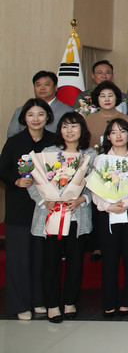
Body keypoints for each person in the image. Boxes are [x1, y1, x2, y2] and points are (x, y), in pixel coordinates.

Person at [28, 112, 97, 323]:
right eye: (65, 126)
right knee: (51, 262)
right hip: (51, 216)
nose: (69, 131)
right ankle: (52, 305)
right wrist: (45, 201)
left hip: (77, 215)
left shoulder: (90, 155)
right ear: (60, 130)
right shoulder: (48, 152)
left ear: (82, 130)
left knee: (75, 262)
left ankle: (69, 302)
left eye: (74, 126)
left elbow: (96, 185)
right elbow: (34, 182)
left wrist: (82, 199)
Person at [0, 99, 55, 320]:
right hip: (20, 209)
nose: (36, 119)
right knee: (19, 258)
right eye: (31, 115)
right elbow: (2, 170)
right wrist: (15, 181)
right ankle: (20, 304)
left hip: (46, 208)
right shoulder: (15, 142)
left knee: (41, 257)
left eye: (40, 114)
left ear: (47, 116)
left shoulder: (53, 141)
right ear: (24, 118)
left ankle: (39, 300)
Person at [92, 118, 128, 318]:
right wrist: (108, 206)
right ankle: (109, 301)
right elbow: (95, 189)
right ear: (108, 137)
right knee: (109, 258)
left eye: (122, 131)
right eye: (113, 132)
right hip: (107, 213)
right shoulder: (100, 159)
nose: (118, 135)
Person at [7, 70, 71, 137]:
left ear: (55, 88)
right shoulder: (20, 110)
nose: (42, 88)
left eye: (47, 85)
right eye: (38, 85)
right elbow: (11, 135)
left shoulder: (66, 111)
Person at [84, 81, 128, 148]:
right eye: (103, 96)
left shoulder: (125, 118)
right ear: (97, 98)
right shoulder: (89, 119)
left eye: (110, 96)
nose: (107, 99)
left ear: (116, 97)